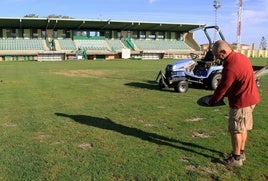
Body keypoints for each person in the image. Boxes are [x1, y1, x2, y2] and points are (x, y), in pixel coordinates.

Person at [208, 40, 260, 166]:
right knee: (243, 128)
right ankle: (240, 153)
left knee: (236, 129)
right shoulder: (241, 57)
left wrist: (212, 101)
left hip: (241, 101)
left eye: (217, 55)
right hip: (251, 98)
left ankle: (236, 159)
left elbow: (222, 87)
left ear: (223, 52)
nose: (216, 58)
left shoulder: (230, 66)